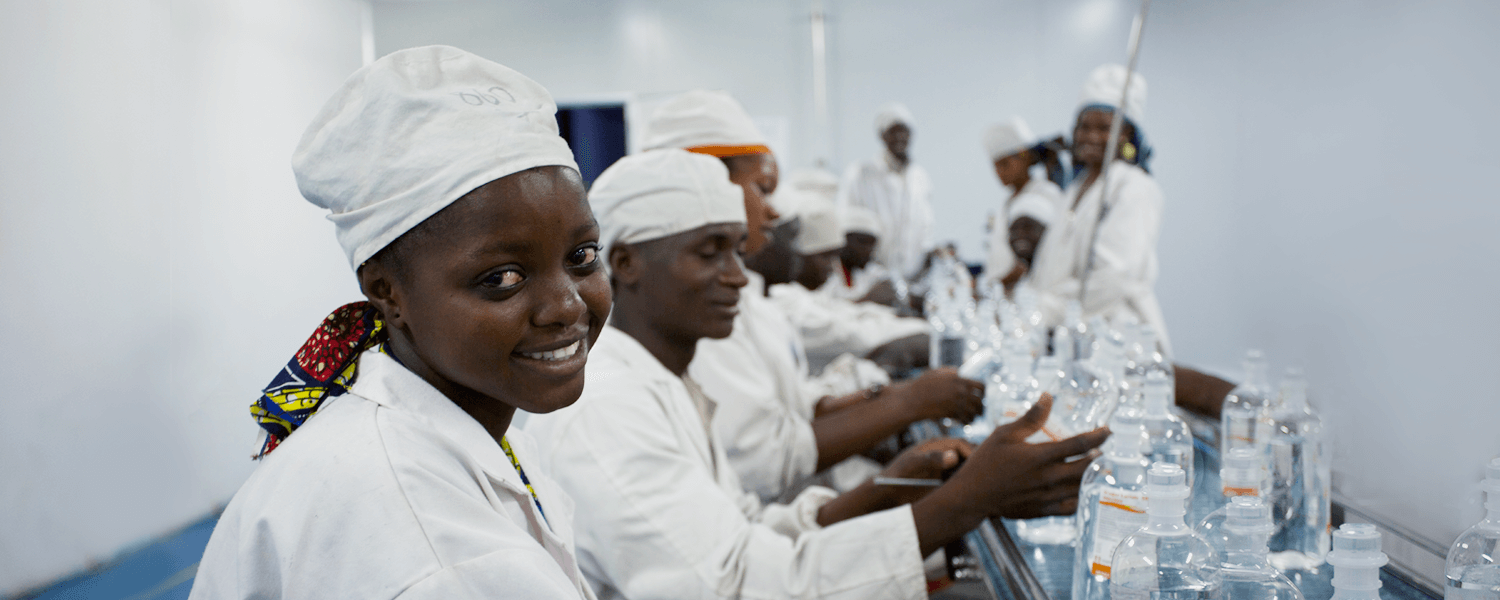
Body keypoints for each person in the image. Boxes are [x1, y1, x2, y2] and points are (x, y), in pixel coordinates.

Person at [526, 149, 1111, 600]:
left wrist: (890, 487)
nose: (738, 276)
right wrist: (965, 501)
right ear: (625, 263)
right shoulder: (605, 406)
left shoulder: (665, 380)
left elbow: (746, 530)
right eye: (710, 252)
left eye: (738, 251)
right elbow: (734, 587)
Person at [189, 47, 606, 600]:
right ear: (387, 293)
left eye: (582, 256)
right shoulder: (432, 550)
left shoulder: (460, 434)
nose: (567, 306)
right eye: (503, 278)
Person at [644, 90, 976, 502]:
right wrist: (908, 403)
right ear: (707, 185)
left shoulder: (747, 298)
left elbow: (795, 402)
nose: (772, 212)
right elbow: (762, 460)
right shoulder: (697, 309)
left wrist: (886, 399)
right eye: (762, 189)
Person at [1029, 64, 1171, 354]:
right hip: (1066, 334)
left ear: (1127, 135)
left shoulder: (1134, 187)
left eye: (1104, 128)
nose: (1091, 136)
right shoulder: (1075, 188)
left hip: (1118, 341)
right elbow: (1049, 268)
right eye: (1084, 126)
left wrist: (1043, 311)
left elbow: (1112, 278)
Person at [767, 169, 929, 374]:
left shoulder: (800, 294)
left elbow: (844, 312)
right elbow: (847, 332)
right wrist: (919, 332)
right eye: (825, 256)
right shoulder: (782, 300)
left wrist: (899, 319)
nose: (831, 265)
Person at [837, 102, 936, 282]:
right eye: (892, 131)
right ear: (882, 136)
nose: (899, 137)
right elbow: (848, 225)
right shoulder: (861, 174)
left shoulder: (920, 178)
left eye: (904, 131)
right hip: (869, 277)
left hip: (914, 278)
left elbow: (926, 229)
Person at [980, 117, 1064, 294]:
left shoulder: (1045, 193)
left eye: (1005, 163)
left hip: (1033, 295)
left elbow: (1033, 257)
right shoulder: (1007, 204)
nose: (1000, 172)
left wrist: (995, 288)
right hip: (1004, 297)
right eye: (995, 166)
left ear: (1025, 156)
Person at [821, 205, 901, 306]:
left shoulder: (867, 271)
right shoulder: (825, 271)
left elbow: (891, 283)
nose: (868, 250)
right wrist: (868, 299)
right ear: (844, 240)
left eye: (872, 244)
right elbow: (822, 308)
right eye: (863, 242)